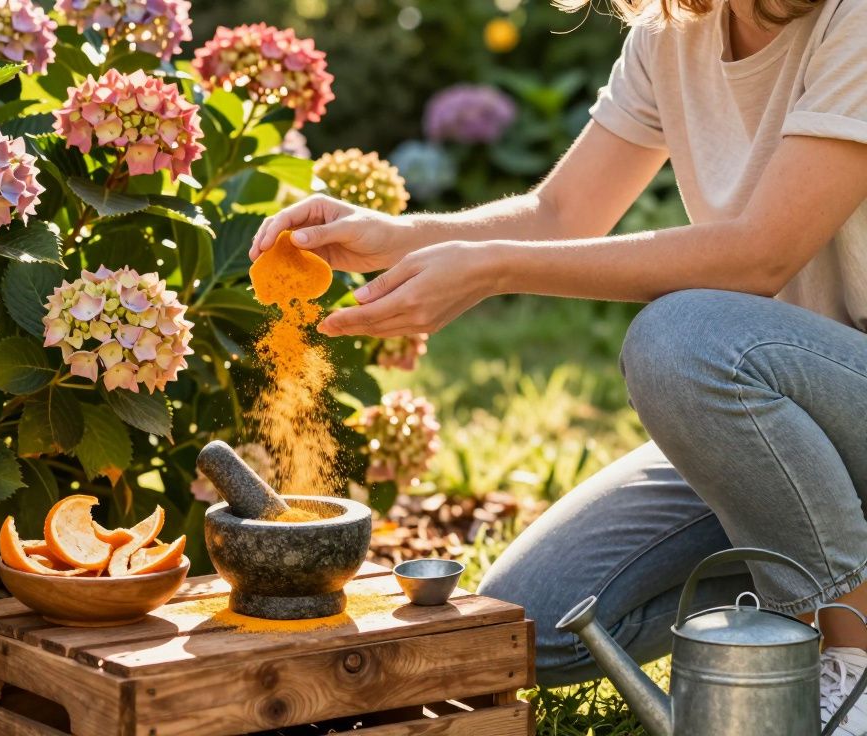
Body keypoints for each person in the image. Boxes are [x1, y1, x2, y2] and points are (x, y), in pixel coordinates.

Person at [250, 0, 867, 730]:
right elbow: (562, 213)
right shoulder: (672, 37)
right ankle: (822, 560)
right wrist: (400, 237)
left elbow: (760, 252)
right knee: (526, 623)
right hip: (784, 427)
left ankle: (851, 665)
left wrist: (492, 269)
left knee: (681, 341)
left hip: (836, 387)